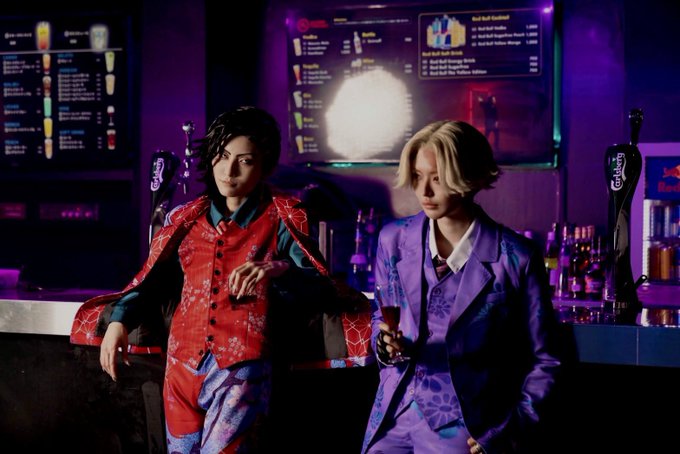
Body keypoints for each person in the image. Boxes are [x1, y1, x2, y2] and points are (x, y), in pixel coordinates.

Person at [70, 106, 365, 453]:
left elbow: (320, 289)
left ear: (265, 166)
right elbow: (153, 282)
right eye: (222, 156)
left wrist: (277, 268)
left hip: (241, 371)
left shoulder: (281, 219)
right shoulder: (186, 219)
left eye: (245, 160)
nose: (229, 170)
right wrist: (119, 321)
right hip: (180, 368)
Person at [361, 120, 562, 454]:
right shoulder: (392, 240)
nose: (424, 191)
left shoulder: (515, 258)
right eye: (418, 176)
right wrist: (384, 345)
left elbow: (547, 360)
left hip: (463, 428)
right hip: (391, 420)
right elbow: (380, 317)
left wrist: (507, 430)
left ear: (470, 178)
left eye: (437, 178)